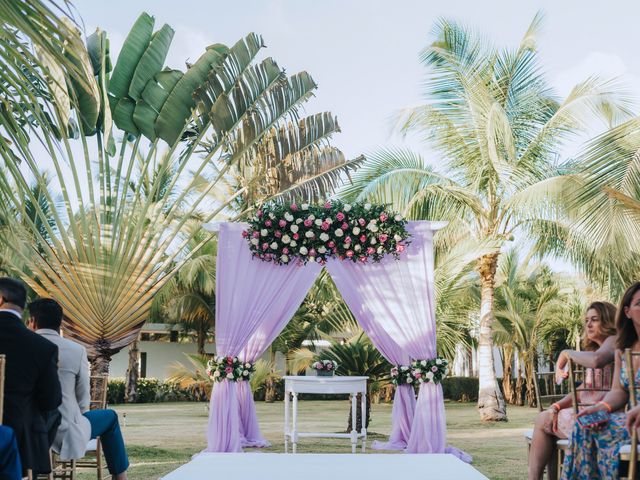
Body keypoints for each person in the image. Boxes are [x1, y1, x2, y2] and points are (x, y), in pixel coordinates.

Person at [28, 298, 130, 480]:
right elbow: (83, 398)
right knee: (111, 417)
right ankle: (120, 478)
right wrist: (79, 419)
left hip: (27, 429)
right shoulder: (76, 350)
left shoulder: (21, 348)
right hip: (65, 431)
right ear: (60, 323)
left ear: (33, 321)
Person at [528, 301, 617, 480]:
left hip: (603, 415)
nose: (589, 325)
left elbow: (596, 361)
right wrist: (556, 407)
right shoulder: (597, 348)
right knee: (548, 420)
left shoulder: (614, 341)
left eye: (595, 320)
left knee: (543, 422)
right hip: (588, 410)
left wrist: (566, 353)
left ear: (607, 321)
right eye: (586, 321)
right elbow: (582, 391)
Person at [561, 282, 640, 479]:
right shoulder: (624, 348)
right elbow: (619, 391)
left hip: (634, 420)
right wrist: (602, 406)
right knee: (584, 424)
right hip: (631, 419)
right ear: (628, 312)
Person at [0, 277, 62, 476]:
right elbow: (51, 400)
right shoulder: (43, 348)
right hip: (19, 440)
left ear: (0, 299)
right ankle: (31, 466)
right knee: (52, 413)